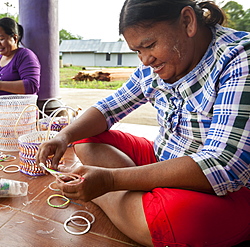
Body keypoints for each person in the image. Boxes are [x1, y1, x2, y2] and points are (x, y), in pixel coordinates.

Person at [36, 1, 250, 246]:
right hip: (164, 160)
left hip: (230, 191)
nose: (145, 60)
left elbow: (222, 164)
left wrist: (111, 181)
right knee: (84, 138)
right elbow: (107, 109)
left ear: (188, 22)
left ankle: (112, 197)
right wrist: (63, 136)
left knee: (181, 219)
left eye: (149, 45)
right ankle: (138, 205)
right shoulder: (155, 65)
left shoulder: (239, 58)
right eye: (137, 51)